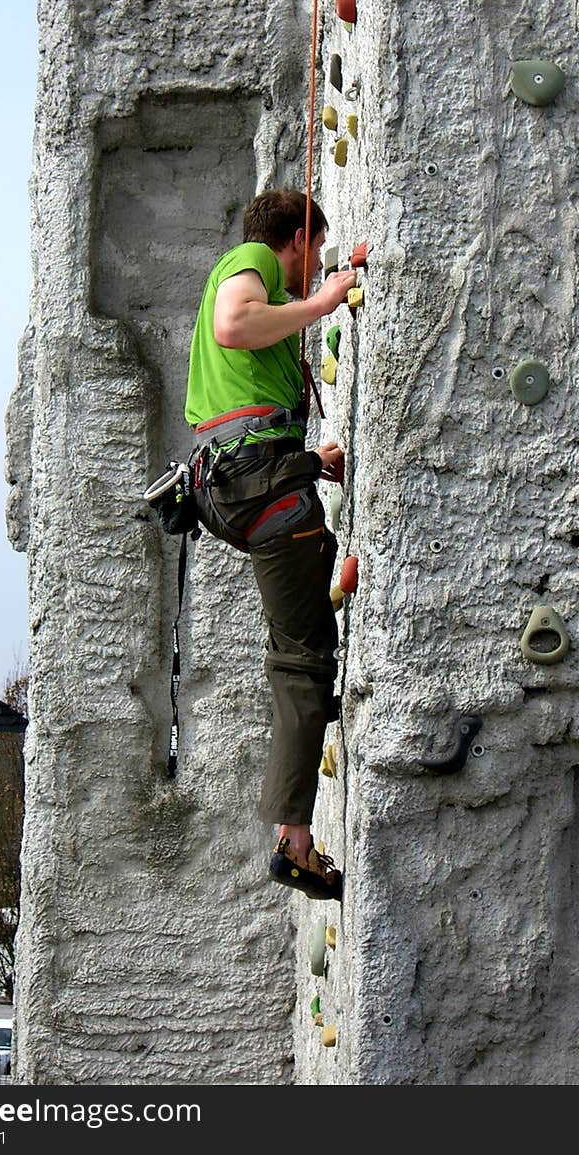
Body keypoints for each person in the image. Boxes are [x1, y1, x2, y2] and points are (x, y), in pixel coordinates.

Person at [184, 189, 356, 901]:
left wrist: (313, 461)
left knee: (302, 638)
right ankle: (293, 839)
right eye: (314, 250)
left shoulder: (254, 281)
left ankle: (319, 723)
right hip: (257, 485)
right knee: (303, 662)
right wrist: (325, 303)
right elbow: (236, 323)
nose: (316, 264)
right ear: (295, 237)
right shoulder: (251, 259)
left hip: (246, 483)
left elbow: (250, 400)